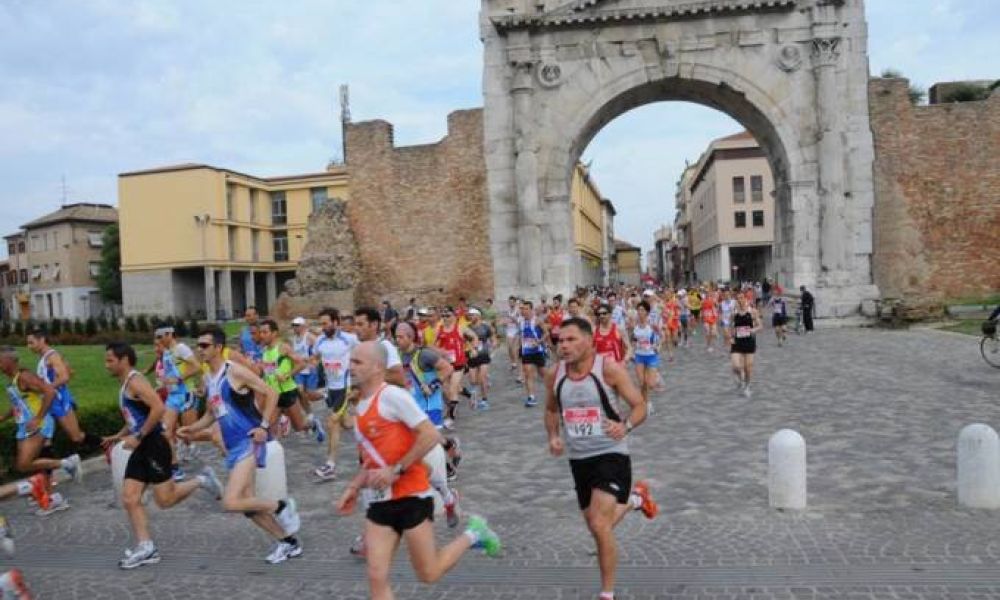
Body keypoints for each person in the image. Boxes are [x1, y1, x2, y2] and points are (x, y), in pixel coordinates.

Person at [335, 342, 501, 600]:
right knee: (376, 576)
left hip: (412, 496)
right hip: (380, 502)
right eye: (351, 361)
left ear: (378, 367)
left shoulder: (392, 396)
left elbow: (430, 435)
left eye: (358, 362)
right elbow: (371, 459)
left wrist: (396, 470)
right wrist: (353, 487)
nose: (351, 367)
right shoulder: (360, 406)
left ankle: (474, 533)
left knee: (429, 574)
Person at [544, 318, 658, 600]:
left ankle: (607, 593)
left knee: (598, 524)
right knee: (596, 526)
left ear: (589, 341)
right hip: (578, 459)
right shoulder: (554, 374)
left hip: (611, 454)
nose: (564, 346)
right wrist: (553, 436)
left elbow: (640, 406)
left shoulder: (608, 369)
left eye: (571, 340)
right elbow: (550, 410)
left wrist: (625, 426)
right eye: (560, 341)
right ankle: (636, 500)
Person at [178, 328, 304, 564]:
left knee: (231, 501)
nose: (200, 349)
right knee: (248, 507)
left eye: (205, 345)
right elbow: (211, 414)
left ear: (218, 347)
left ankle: (282, 505)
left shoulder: (234, 371)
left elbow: (271, 392)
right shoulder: (208, 378)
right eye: (198, 345)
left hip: (249, 441)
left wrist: (264, 426)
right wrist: (191, 429)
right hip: (233, 445)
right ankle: (288, 542)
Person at [102, 342, 222, 569]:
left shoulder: (136, 381)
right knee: (129, 498)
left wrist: (138, 436)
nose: (106, 364)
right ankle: (147, 547)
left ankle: (202, 480)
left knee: (164, 500)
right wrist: (118, 435)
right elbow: (136, 416)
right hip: (142, 446)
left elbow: (158, 408)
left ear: (124, 360)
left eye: (110, 360)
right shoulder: (125, 383)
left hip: (154, 445)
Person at [0, 347, 82, 515]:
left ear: (10, 361)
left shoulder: (24, 377)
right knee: (32, 463)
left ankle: (67, 463)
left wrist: (38, 418)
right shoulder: (13, 380)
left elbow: (49, 391)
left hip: (38, 423)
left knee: (23, 464)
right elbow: (19, 404)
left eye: (0, 361)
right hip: (24, 425)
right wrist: (3, 417)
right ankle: (51, 499)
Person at [25, 329, 101, 450]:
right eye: (27, 343)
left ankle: (105, 444)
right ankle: (47, 468)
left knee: (76, 436)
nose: (28, 347)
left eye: (31, 342)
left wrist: (47, 388)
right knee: (44, 437)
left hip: (58, 400)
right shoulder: (44, 357)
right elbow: (69, 372)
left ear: (42, 340)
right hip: (49, 400)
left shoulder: (52, 356)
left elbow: (64, 377)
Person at [258, 319, 325, 442]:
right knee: (270, 426)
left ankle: (313, 424)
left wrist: (288, 375)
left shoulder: (283, 348)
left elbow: (301, 364)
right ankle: (273, 454)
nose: (262, 335)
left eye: (265, 332)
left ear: (274, 333)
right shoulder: (264, 351)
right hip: (273, 395)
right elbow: (267, 371)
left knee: (299, 426)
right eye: (261, 332)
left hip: (287, 393)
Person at [312, 307, 359, 481]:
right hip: (331, 388)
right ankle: (368, 420)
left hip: (345, 387)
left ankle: (330, 465)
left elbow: (366, 351)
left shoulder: (349, 339)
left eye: (325, 323)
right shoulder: (320, 341)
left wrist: (357, 372)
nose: (322, 327)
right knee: (346, 423)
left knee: (332, 422)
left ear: (335, 322)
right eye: (321, 324)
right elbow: (315, 358)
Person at [155, 326, 201, 481]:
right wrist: (164, 384)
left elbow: (196, 366)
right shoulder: (166, 352)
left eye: (161, 336)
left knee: (189, 432)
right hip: (173, 396)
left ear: (169, 334)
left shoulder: (181, 348)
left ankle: (215, 437)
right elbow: (169, 374)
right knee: (165, 431)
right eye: (157, 336)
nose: (159, 340)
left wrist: (178, 378)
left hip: (187, 393)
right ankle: (175, 468)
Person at [730, 293, 763, 398]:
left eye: (742, 298)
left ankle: (747, 386)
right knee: (736, 366)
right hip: (737, 342)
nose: (740, 300)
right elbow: (731, 326)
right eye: (738, 298)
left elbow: (760, 326)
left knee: (748, 367)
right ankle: (741, 380)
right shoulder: (734, 313)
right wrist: (731, 337)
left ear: (746, 299)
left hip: (749, 341)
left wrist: (753, 330)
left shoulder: (752, 311)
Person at [630, 301, 662, 409]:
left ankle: (657, 376)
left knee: (651, 384)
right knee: (642, 383)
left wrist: (658, 346)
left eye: (642, 310)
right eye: (638, 310)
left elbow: (661, 336)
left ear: (647, 312)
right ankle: (646, 403)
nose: (640, 312)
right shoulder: (634, 325)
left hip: (651, 356)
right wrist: (633, 349)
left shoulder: (652, 325)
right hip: (639, 355)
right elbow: (633, 339)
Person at [516, 300, 546, 408]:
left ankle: (553, 390)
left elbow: (546, 333)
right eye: (522, 309)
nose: (523, 311)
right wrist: (520, 347)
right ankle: (531, 397)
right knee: (528, 374)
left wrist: (538, 341)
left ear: (531, 310)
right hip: (526, 351)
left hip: (537, 351)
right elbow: (521, 335)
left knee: (543, 374)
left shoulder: (537, 321)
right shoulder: (521, 322)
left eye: (526, 309)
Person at [465, 308, 495, 411]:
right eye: (469, 315)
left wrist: (491, 349)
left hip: (483, 355)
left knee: (482, 378)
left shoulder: (485, 327)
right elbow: (464, 341)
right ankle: (474, 399)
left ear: (478, 316)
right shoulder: (467, 328)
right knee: (473, 381)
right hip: (471, 356)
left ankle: (484, 400)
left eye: (472, 315)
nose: (470, 317)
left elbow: (493, 340)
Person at [290, 316, 320, 407]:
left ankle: (325, 395)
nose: (294, 327)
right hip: (299, 370)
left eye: (297, 325)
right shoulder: (293, 338)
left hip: (310, 369)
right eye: (293, 325)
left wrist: (313, 359)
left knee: (311, 394)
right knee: (300, 391)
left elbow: (321, 348)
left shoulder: (309, 336)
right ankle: (309, 413)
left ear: (303, 326)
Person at [502, 296, 522, 381]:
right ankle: (513, 362)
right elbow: (505, 320)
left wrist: (513, 319)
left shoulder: (518, 311)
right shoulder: (507, 311)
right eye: (509, 302)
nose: (510, 303)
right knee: (509, 349)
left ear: (514, 302)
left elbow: (519, 322)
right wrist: (504, 323)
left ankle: (518, 368)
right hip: (508, 330)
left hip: (516, 331)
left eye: (512, 302)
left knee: (515, 350)